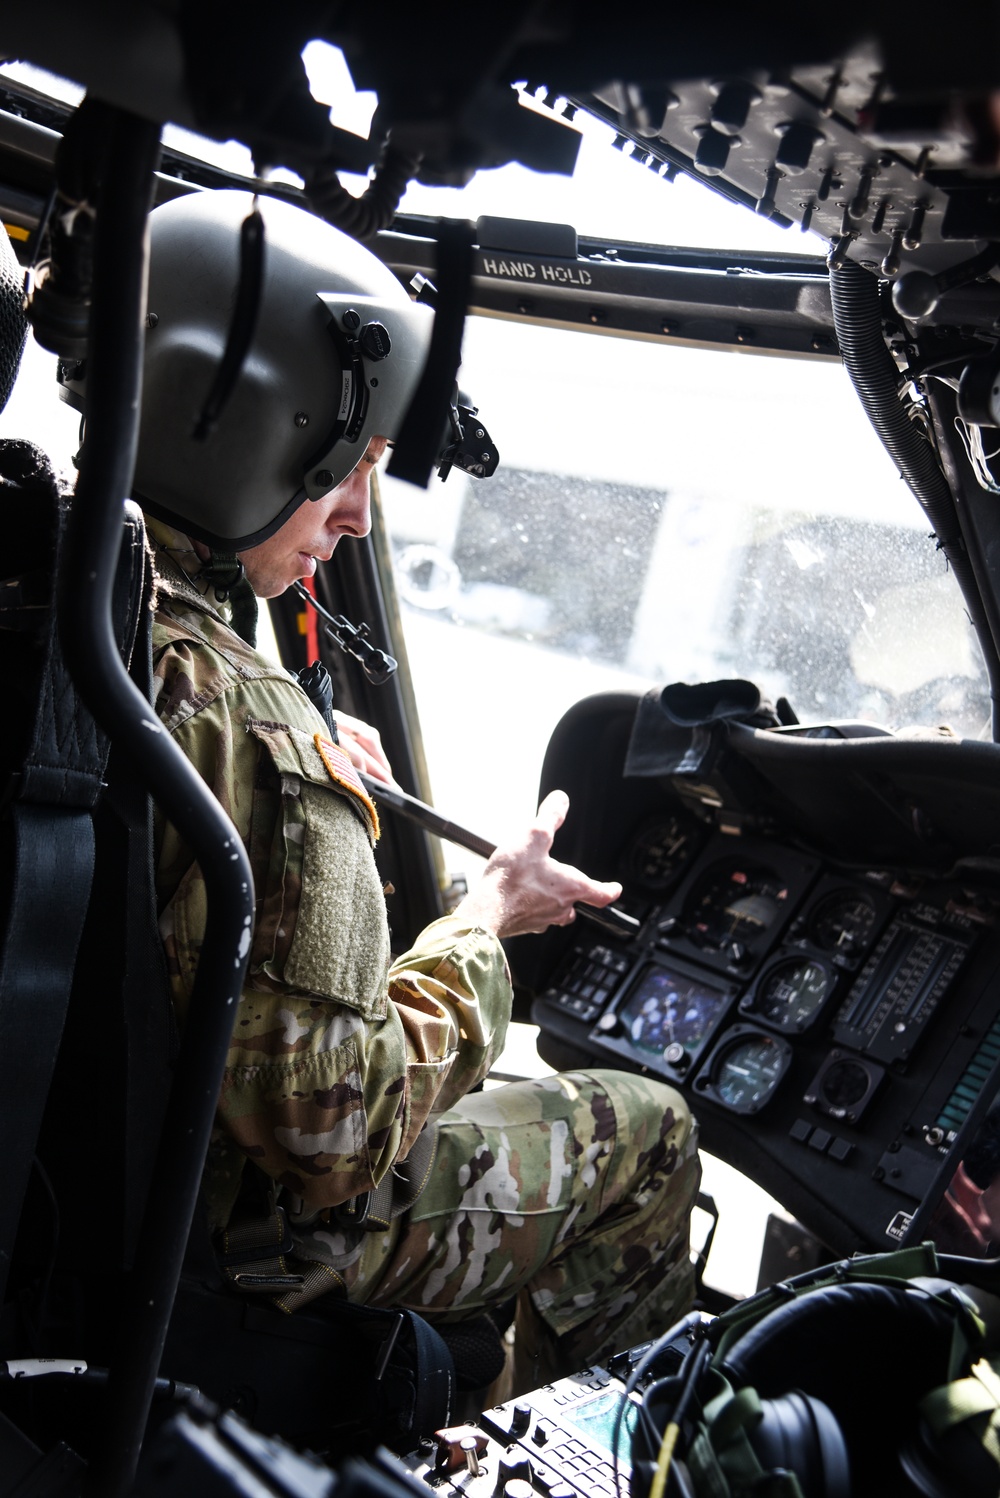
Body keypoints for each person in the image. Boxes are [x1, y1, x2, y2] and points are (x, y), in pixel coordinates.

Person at [106, 188, 700, 1398]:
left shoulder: (79, 606)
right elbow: (336, 1134)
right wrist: (487, 919)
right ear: (257, 435)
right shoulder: (243, 720)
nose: (356, 516)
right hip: (244, 1246)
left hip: (70, 1192)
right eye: (348, 467)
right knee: (646, 1131)